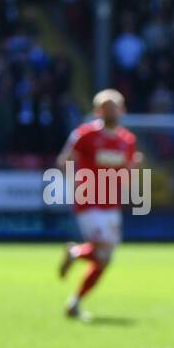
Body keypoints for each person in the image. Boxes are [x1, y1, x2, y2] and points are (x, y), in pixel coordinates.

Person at [55, 89, 140, 320]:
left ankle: (75, 298)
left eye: (115, 106)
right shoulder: (85, 135)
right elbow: (65, 160)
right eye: (106, 106)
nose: (111, 111)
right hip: (89, 201)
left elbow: (128, 170)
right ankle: (76, 255)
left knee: (106, 258)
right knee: (102, 250)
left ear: (122, 110)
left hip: (111, 204)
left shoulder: (127, 140)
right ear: (97, 111)